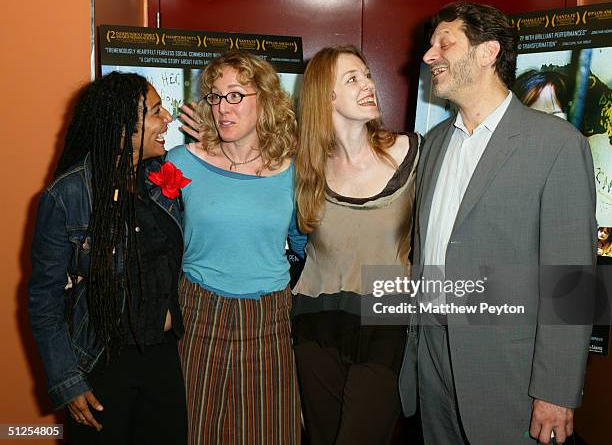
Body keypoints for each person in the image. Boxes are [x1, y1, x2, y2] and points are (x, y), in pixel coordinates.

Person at [398, 2, 596, 445]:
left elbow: (572, 282)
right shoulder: (433, 144)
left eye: (444, 43)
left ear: (488, 52)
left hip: (511, 375)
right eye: (430, 45)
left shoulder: (557, 146)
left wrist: (556, 392)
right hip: (432, 361)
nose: (428, 56)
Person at [28, 72, 188, 445]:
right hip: (101, 363)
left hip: (162, 358)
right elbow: (44, 299)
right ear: (122, 128)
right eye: (155, 111)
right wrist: (66, 381)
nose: (167, 118)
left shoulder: (160, 181)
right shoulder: (67, 195)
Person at [167, 50, 305, 445]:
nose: (222, 108)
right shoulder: (179, 164)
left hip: (268, 322)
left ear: (264, 99)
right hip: (197, 314)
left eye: (235, 95)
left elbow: (302, 244)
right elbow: (152, 239)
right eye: (214, 96)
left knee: (271, 433)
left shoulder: (293, 171)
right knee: (193, 430)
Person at [292, 44, 419, 445]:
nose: (369, 85)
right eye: (353, 79)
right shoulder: (305, 169)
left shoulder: (413, 153)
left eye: (367, 75)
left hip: (386, 322)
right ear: (325, 96)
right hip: (316, 322)